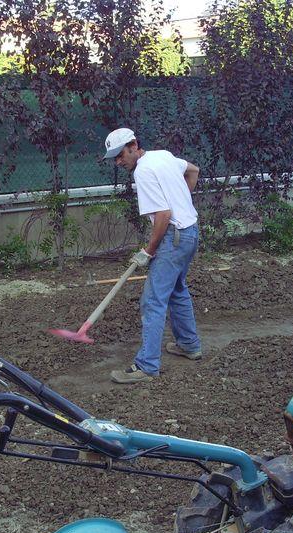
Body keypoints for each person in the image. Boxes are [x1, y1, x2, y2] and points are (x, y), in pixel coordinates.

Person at [103, 127, 202, 384]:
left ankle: (146, 366)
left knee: (153, 301)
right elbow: (193, 170)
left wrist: (148, 251)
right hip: (190, 231)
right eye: (114, 158)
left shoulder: (144, 171)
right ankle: (189, 345)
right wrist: (182, 200)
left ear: (134, 145)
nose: (118, 161)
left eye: (120, 154)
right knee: (177, 290)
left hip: (174, 236)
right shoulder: (164, 156)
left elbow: (163, 216)